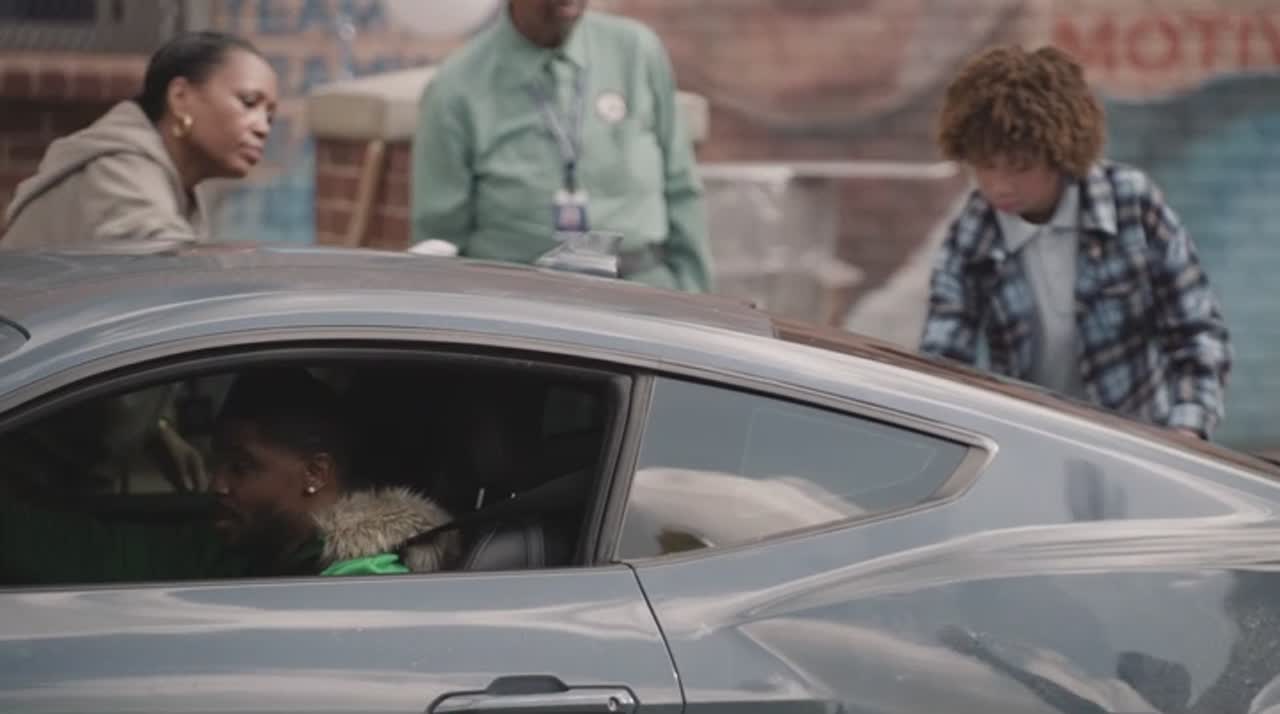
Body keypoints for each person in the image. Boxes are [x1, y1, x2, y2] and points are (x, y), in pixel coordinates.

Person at [919, 45, 1232, 440]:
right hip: (1032, 441)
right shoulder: (974, 228)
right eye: (985, 166)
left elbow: (1196, 331)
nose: (999, 185)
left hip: (1137, 440)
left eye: (1020, 167)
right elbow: (944, 349)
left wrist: (1187, 428)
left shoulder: (1131, 204)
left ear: (1060, 153)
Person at [410, 0, 713, 293]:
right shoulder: (457, 87)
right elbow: (440, 238)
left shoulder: (634, 51)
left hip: (645, 289)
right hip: (521, 301)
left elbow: (681, 188)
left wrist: (697, 296)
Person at [1, 31, 278, 247]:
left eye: (270, 116)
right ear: (180, 97)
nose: (263, 127)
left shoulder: (178, 186)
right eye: (249, 102)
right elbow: (170, 273)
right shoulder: (117, 169)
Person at [208, 368, 459, 576]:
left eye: (239, 467)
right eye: (214, 464)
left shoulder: (364, 581)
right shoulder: (273, 555)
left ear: (315, 473)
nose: (217, 485)